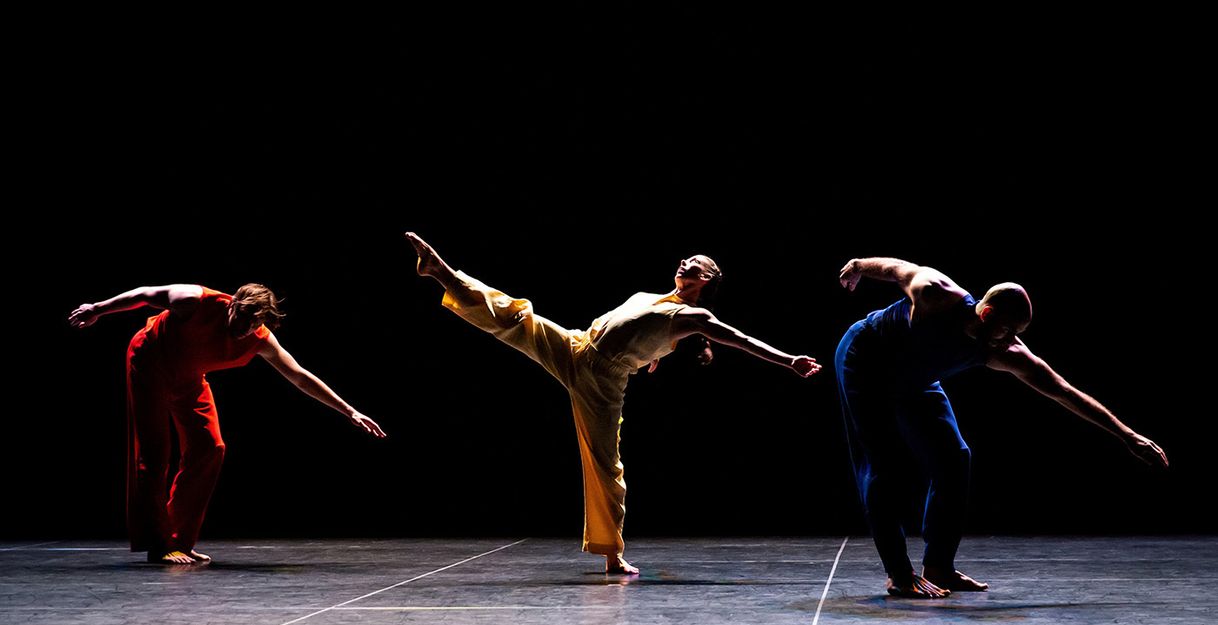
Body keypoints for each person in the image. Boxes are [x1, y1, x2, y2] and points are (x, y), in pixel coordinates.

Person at [406, 232, 820, 574]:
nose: (684, 262)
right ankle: (442, 273)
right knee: (518, 317)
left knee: (605, 462)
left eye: (695, 262)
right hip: (577, 346)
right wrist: (656, 354)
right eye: (685, 258)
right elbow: (644, 331)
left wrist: (788, 361)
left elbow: (740, 339)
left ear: (708, 278)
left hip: (602, 381)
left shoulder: (698, 318)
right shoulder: (654, 296)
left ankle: (611, 553)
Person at [835, 257, 1168, 598]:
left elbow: (1063, 391)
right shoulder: (936, 292)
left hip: (915, 380)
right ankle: (900, 574)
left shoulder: (1002, 349)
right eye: (1007, 330)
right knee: (884, 464)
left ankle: (939, 566)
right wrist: (860, 264)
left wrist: (1127, 435)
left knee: (954, 457)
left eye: (1017, 334)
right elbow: (895, 269)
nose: (1011, 340)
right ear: (987, 314)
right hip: (866, 360)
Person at [69, 283, 386, 565]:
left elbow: (299, 376)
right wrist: (98, 309)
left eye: (254, 324)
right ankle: (158, 543)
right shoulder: (194, 300)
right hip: (150, 361)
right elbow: (144, 294)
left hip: (188, 377)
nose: (245, 330)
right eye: (242, 320)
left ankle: (179, 540)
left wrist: (350, 411)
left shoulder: (260, 338)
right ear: (232, 305)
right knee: (155, 453)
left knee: (211, 447)